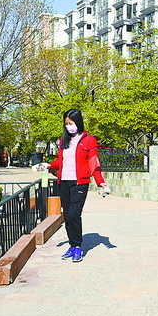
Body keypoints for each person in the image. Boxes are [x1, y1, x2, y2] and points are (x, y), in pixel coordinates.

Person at [45, 109, 110, 263]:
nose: (69, 126)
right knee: (67, 216)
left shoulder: (89, 140)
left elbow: (94, 163)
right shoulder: (63, 141)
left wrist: (100, 182)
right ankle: (72, 245)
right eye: (66, 124)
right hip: (64, 182)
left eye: (71, 123)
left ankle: (78, 247)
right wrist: (49, 166)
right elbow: (60, 162)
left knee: (74, 214)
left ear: (78, 122)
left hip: (79, 182)